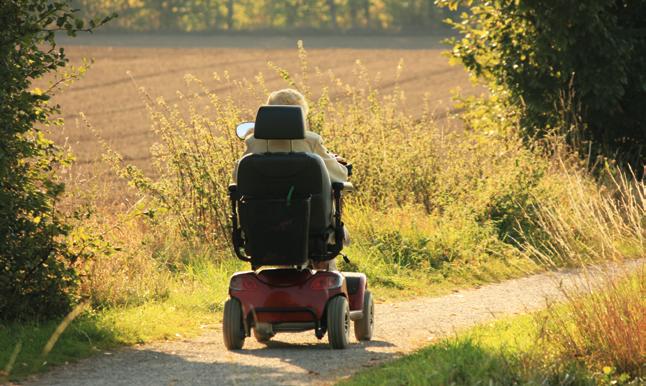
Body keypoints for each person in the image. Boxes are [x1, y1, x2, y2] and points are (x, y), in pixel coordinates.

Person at [234, 88, 349, 271]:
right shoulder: (311, 141)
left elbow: (237, 178)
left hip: (262, 227)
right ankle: (323, 270)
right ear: (300, 116)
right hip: (312, 228)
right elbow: (339, 176)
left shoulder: (253, 143)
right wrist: (337, 163)